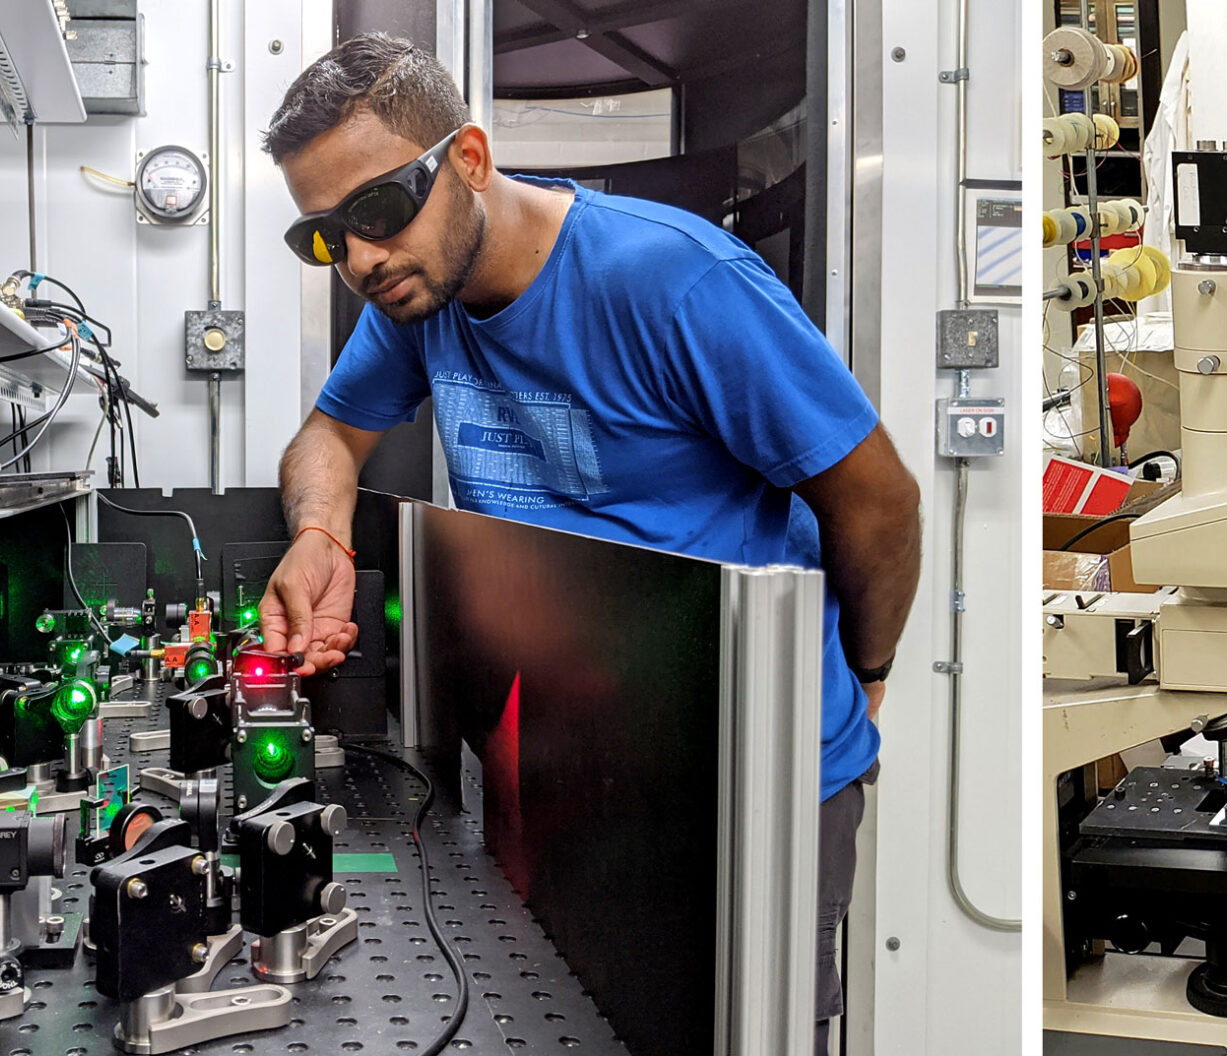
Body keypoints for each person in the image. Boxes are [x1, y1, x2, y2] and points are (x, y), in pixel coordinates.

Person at [252, 35, 921, 1053]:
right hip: (565, 758)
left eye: (377, 215)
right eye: (324, 236)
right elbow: (330, 435)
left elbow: (876, 502)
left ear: (468, 158)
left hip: (744, 769)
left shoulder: (675, 282)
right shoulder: (415, 298)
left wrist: (865, 669)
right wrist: (318, 537)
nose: (359, 261)